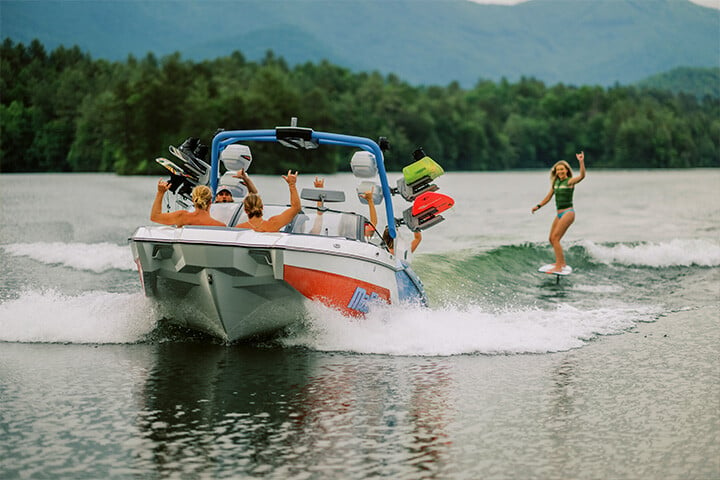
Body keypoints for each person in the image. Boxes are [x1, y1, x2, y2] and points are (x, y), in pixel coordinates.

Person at [531, 151, 587, 273]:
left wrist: (581, 162)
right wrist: (538, 206)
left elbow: (582, 176)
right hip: (559, 214)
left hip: (568, 213)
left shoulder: (570, 181)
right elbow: (548, 197)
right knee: (551, 238)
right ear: (555, 172)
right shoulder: (555, 183)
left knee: (555, 238)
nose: (560, 172)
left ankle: (561, 264)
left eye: (562, 169)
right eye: (558, 170)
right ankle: (558, 262)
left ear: (566, 170)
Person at [234, 170, 300, 232]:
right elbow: (296, 208)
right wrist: (292, 184)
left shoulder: (239, 229)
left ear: (245, 210)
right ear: (262, 207)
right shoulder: (273, 224)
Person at [151, 180, 225, 227]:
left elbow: (155, 217)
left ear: (193, 199)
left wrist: (160, 193)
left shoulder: (182, 217)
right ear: (210, 201)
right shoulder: (220, 226)